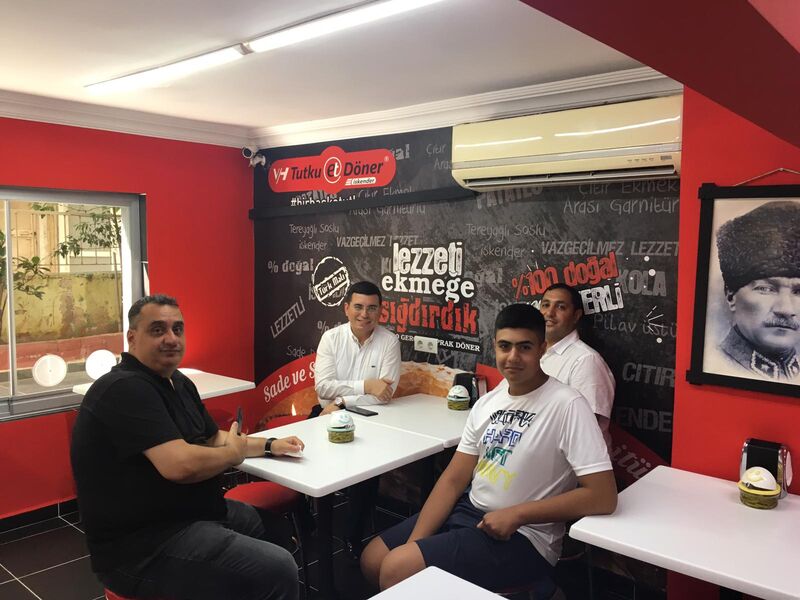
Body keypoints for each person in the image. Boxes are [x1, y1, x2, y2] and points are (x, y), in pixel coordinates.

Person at [361, 304, 616, 592]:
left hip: (526, 536)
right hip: (470, 512)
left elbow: (603, 496)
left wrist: (518, 514)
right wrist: (416, 544)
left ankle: (542, 589)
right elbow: (453, 479)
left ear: (542, 349)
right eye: (505, 346)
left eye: (525, 347)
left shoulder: (568, 405)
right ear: (494, 346)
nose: (513, 357)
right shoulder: (488, 403)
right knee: (374, 560)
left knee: (397, 568)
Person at [71, 294, 304, 600]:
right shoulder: (124, 388)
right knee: (278, 568)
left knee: (277, 532)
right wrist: (232, 455)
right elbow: (179, 465)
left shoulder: (177, 382)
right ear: (132, 337)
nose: (171, 338)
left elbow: (214, 437)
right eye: (158, 330)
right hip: (142, 548)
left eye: (177, 329)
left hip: (190, 513)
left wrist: (271, 445)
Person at [313, 280, 401, 559]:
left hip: (368, 418)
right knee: (314, 471)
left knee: (367, 477)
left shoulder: (389, 341)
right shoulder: (331, 339)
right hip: (326, 416)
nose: (365, 314)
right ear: (346, 309)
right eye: (359, 307)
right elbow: (323, 387)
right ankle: (315, 527)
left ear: (380, 311)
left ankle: (353, 539)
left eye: (372, 308)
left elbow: (385, 395)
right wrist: (366, 386)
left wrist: (342, 401)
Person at [715, 201, 800, 380]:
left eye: (798, 292)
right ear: (730, 295)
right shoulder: (715, 363)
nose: (786, 309)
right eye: (766, 289)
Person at [539, 283, 616, 451]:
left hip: (575, 463)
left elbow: (584, 428)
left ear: (576, 316)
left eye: (560, 307)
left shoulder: (586, 360)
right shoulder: (535, 354)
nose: (549, 313)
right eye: (545, 305)